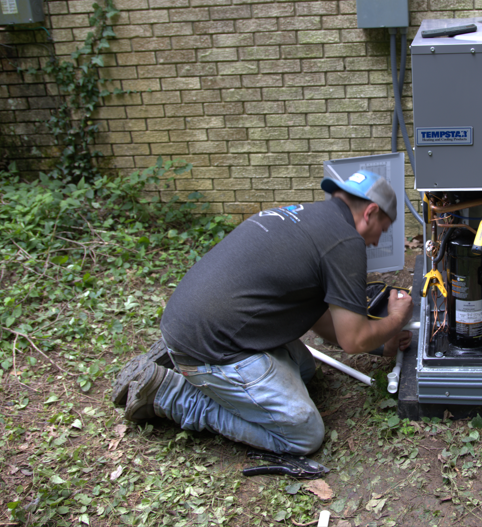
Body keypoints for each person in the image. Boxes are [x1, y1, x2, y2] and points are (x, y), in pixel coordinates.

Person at [114, 169, 414, 456]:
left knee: (305, 371)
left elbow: (321, 318)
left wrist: (381, 344)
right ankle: (173, 394)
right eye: (382, 230)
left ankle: (182, 354)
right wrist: (397, 317)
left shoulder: (303, 215)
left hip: (192, 320)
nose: (376, 241)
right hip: (214, 345)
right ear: (370, 212)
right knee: (304, 434)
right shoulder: (345, 241)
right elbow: (353, 340)